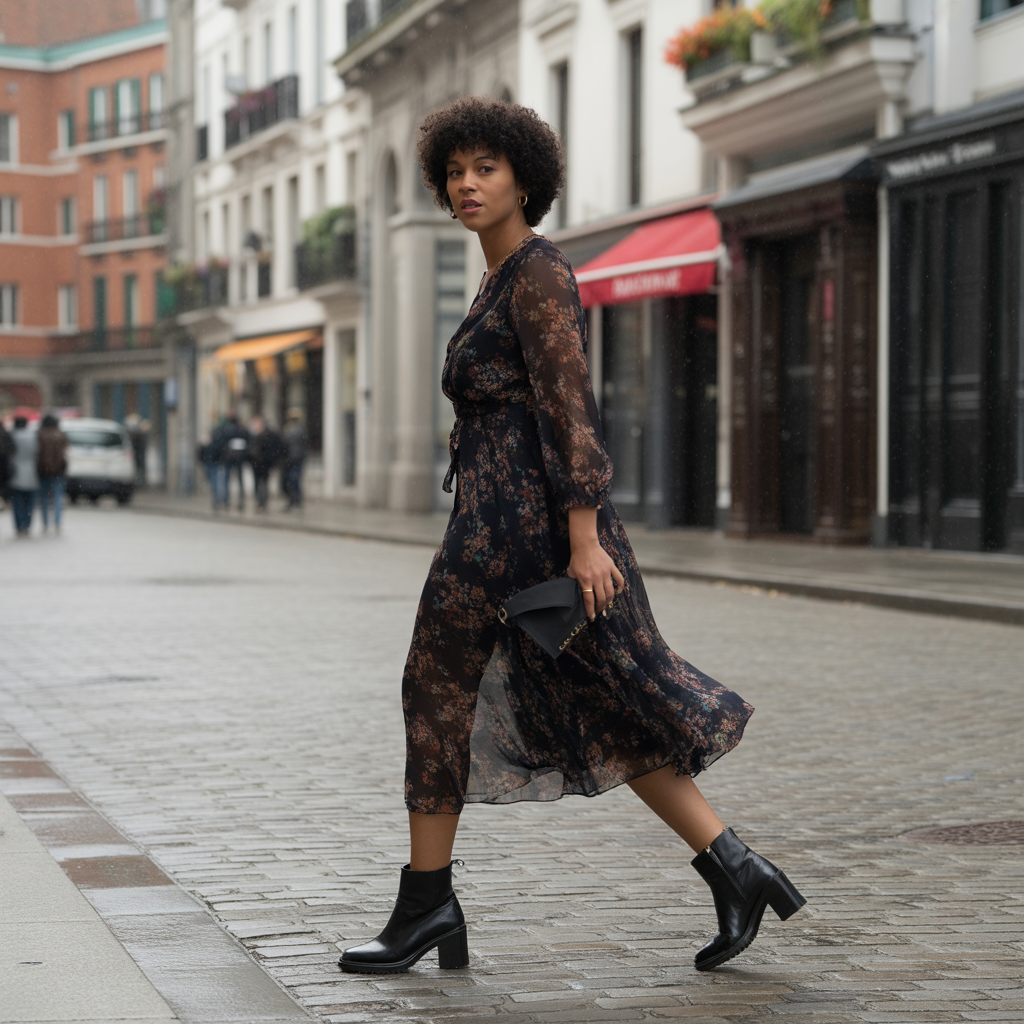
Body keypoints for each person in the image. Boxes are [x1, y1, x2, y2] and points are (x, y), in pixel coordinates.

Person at [339, 97, 805, 978]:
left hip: (535, 535)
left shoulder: (540, 274)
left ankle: (430, 905)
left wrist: (585, 541)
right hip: (487, 528)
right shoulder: (499, 277)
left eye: (487, 167)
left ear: (526, 178)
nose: (468, 184)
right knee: (481, 697)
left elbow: (569, 408)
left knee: (559, 697)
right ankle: (730, 871)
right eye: (455, 170)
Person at [36, 413, 69, 534]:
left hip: (43, 470)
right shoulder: (61, 435)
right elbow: (65, 452)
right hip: (58, 471)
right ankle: (57, 523)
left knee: (44, 498)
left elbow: (37, 453)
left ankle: (45, 524)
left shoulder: (39, 434)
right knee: (58, 498)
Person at [9, 415, 39, 537]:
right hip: (31, 472)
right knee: (30, 502)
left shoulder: (13, 435)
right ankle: (27, 525)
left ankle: (19, 526)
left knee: (17, 502)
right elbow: (37, 452)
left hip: (16, 471)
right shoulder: (33, 436)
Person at [248, 414, 284, 512]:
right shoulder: (253, 435)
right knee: (258, 484)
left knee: (263, 484)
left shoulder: (268, 436)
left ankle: (262, 503)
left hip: (264, 465)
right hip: (256, 465)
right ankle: (260, 502)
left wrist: (271, 462)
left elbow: (273, 450)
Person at [281, 411, 306, 510]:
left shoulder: (297, 430)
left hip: (296, 458)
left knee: (294, 479)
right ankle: (293, 500)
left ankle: (297, 500)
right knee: (290, 481)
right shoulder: (288, 430)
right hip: (290, 459)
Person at [0, 418, 14, 510]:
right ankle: (3, 500)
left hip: (4, 463)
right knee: (4, 484)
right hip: (4, 464)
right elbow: (12, 448)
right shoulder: (5, 433)